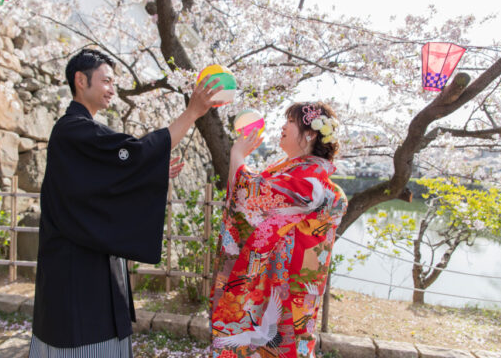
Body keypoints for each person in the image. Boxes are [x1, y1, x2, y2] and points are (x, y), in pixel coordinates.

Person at [29, 48, 222, 358]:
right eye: (106, 81)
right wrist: (191, 113)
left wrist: (152, 171)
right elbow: (133, 154)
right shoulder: (75, 131)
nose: (112, 89)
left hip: (89, 254)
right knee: (81, 338)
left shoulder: (79, 132)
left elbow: (109, 181)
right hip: (76, 264)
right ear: (81, 80)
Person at [210, 102, 348, 358]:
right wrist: (238, 159)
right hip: (280, 281)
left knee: (283, 345)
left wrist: (238, 156)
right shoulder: (289, 170)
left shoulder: (310, 178)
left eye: (291, 121)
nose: (283, 126)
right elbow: (248, 200)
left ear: (310, 134)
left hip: (290, 284)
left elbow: (250, 195)